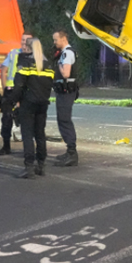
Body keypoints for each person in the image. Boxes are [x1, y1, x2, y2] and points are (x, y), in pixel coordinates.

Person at [10, 37, 54, 178]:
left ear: (28, 48)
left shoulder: (25, 62)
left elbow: (19, 85)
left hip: (28, 103)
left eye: (24, 45)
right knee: (40, 134)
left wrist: (13, 100)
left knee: (27, 135)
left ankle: (29, 168)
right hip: (43, 103)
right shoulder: (48, 64)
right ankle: (41, 166)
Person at [0, 33, 34, 155]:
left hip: (25, 92)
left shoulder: (35, 55)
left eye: (27, 40)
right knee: (6, 119)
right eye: (23, 39)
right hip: (10, 90)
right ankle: (6, 146)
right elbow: (4, 71)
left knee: (26, 121)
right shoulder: (13, 53)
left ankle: (28, 148)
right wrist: (4, 89)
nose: (24, 42)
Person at [51, 28, 80, 166]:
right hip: (66, 91)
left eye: (56, 39)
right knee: (63, 119)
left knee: (64, 120)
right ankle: (69, 151)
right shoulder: (67, 53)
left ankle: (72, 153)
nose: (54, 42)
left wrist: (59, 65)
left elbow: (66, 74)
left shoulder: (66, 54)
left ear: (63, 39)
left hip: (66, 91)